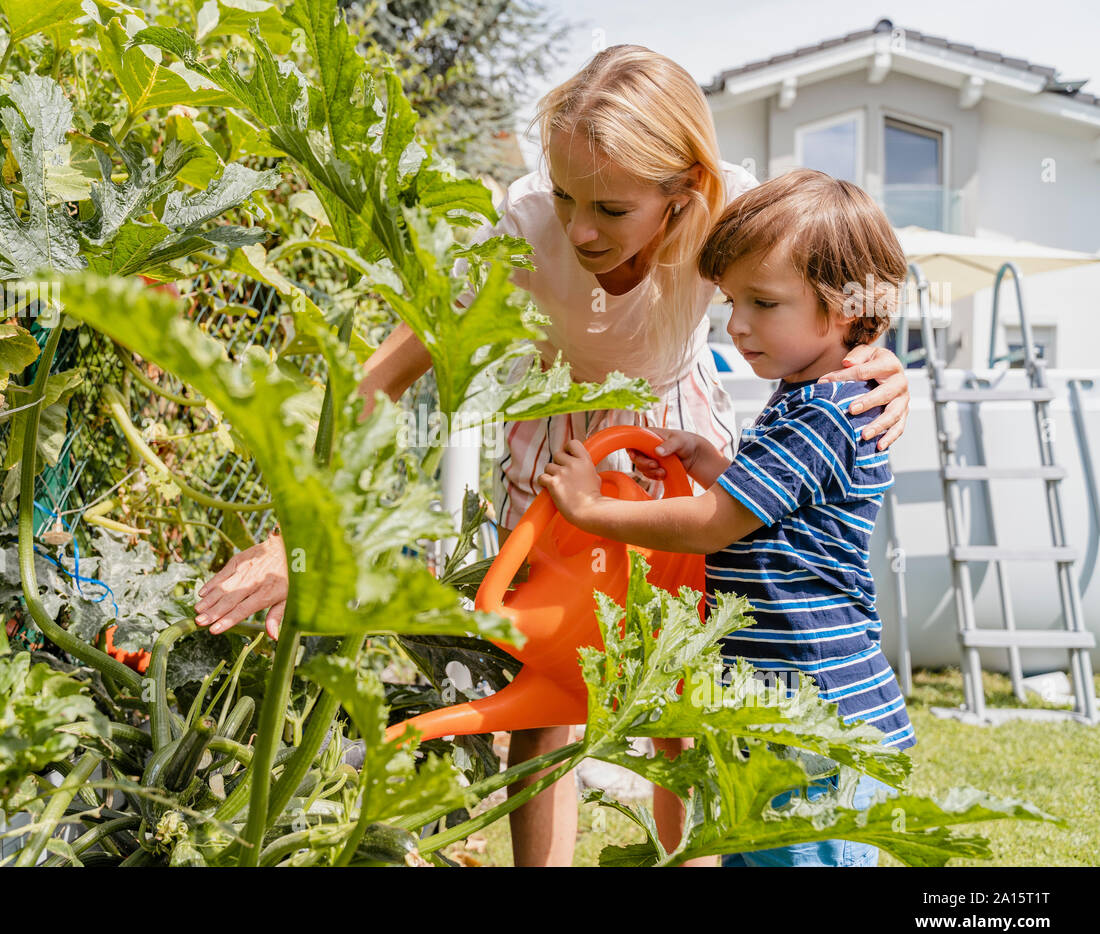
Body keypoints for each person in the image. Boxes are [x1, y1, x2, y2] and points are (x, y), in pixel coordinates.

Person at [195, 46, 915, 867]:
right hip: (556, 436)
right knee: (546, 678)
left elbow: (848, 272)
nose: (578, 227)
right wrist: (303, 535)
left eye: (610, 208)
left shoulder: (735, 207)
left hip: (667, 440)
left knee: (678, 683)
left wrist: (879, 359)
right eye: (567, 194)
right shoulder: (525, 228)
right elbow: (376, 382)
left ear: (682, 194)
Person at [537, 167, 917, 866]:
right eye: (731, 303)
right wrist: (714, 461)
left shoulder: (827, 412)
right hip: (784, 709)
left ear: (843, 310)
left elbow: (715, 524)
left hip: (814, 720)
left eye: (763, 304)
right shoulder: (803, 399)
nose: (737, 326)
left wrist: (590, 507)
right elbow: (783, 512)